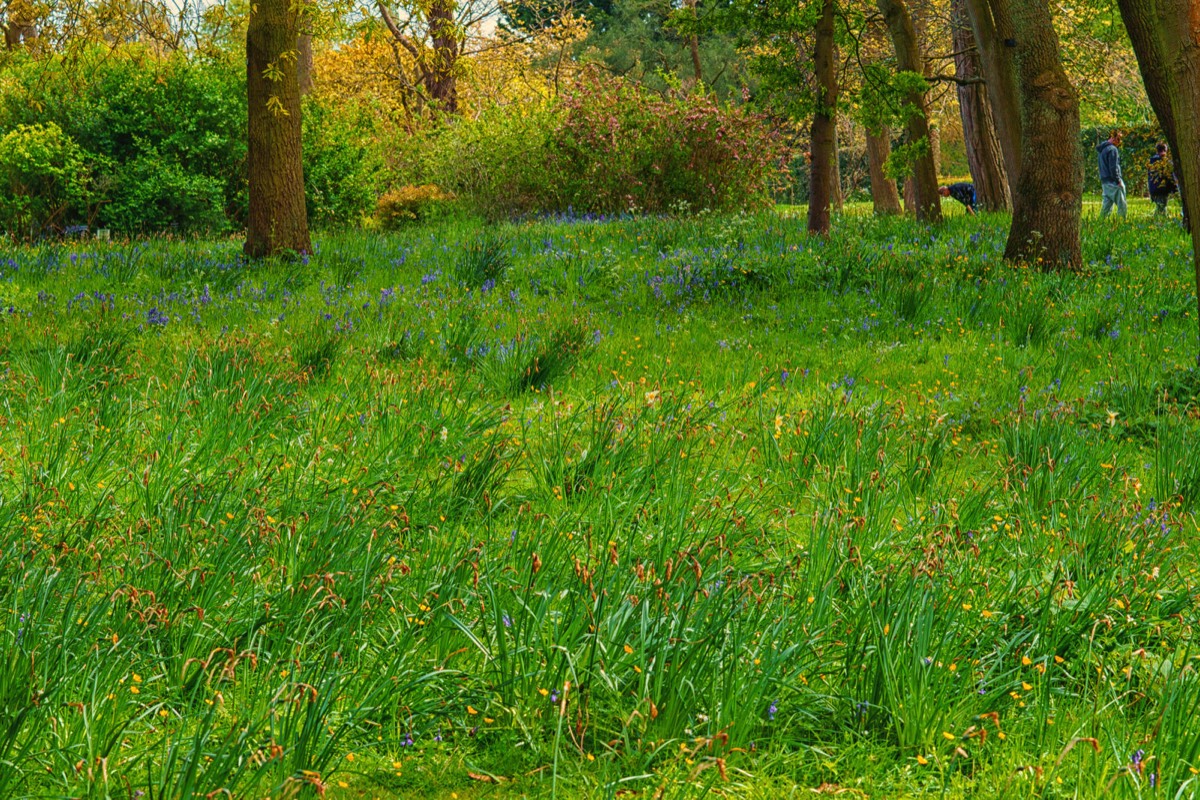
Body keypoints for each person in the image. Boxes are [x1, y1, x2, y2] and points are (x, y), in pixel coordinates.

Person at [1097, 131, 1126, 219]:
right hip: (1112, 181)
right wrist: (1118, 181)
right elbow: (1113, 167)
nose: (1119, 142)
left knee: (1107, 205)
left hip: (1104, 181)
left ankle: (1100, 223)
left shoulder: (1102, 150)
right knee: (1122, 204)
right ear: (1112, 137)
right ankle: (1122, 224)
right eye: (1118, 139)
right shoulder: (1112, 149)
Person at [1148, 142, 1178, 216]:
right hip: (1162, 189)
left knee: (1160, 207)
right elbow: (1170, 176)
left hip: (1153, 189)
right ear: (1165, 150)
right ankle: (1157, 222)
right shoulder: (1165, 162)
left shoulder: (1151, 161)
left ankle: (1156, 221)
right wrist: (1175, 189)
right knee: (1161, 207)